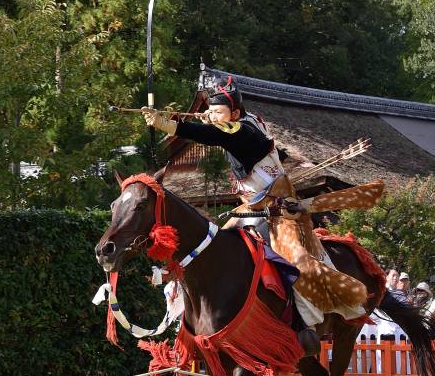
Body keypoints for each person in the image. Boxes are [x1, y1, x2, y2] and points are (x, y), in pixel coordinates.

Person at [142, 74, 385, 330]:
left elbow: (214, 135)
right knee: (210, 248)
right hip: (250, 207)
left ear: (234, 112)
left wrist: (171, 126)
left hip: (282, 211)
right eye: (209, 112)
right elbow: (217, 131)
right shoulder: (243, 123)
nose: (211, 116)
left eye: (217, 112)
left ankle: (307, 322)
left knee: (297, 261)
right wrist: (181, 120)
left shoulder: (243, 131)